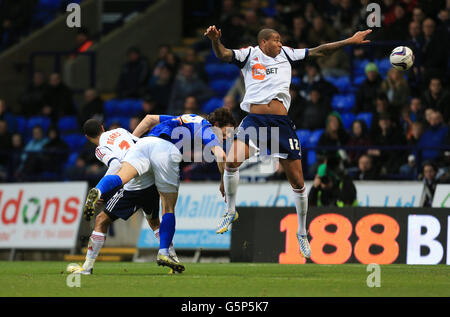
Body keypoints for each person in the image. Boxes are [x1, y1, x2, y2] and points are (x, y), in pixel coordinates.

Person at [204, 24, 371, 259]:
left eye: (281, 39)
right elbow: (222, 54)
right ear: (263, 42)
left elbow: (320, 51)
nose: (280, 43)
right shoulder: (249, 55)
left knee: (299, 182)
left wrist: (349, 41)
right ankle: (230, 210)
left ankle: (302, 233)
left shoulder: (287, 54)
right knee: (231, 162)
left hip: (281, 125)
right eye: (276, 39)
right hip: (255, 121)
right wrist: (214, 40)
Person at [82, 110, 231, 272]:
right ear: (216, 125)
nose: (227, 137)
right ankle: (165, 252)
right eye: (226, 132)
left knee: (142, 208)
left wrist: (136, 147)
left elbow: (149, 119)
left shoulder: (183, 118)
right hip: (164, 153)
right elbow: (221, 155)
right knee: (168, 208)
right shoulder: (206, 128)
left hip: (143, 145)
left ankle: (99, 189)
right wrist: (223, 181)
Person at [70, 119, 179, 275]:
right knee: (155, 222)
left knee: (101, 220)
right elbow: (140, 143)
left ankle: (87, 267)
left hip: (134, 185)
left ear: (87, 137)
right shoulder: (120, 131)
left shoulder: (101, 149)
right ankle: (171, 257)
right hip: (150, 178)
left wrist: (103, 189)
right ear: (102, 127)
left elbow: (115, 165)